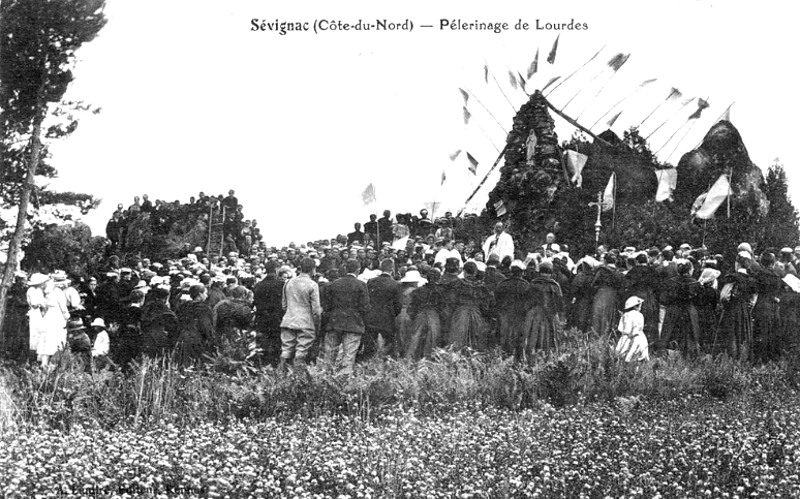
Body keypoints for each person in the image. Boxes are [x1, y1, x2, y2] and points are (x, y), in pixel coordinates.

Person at [321, 258, 370, 375]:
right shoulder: (361, 285)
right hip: (353, 324)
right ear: (358, 270)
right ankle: (344, 381)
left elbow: (326, 306)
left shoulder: (333, 284)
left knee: (329, 356)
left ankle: (325, 381)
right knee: (348, 356)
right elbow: (365, 307)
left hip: (334, 322)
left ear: (345, 269)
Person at [279, 258, 321, 369]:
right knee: (301, 349)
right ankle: (298, 377)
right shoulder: (313, 285)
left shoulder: (288, 282)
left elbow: (284, 305)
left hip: (288, 319)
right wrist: (317, 323)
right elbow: (316, 309)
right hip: (305, 322)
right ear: (313, 269)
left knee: (286, 349)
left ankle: (281, 374)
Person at [715, 252, 757, 361]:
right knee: (743, 334)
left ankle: (728, 358)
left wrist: (727, 306)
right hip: (744, 310)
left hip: (731, 309)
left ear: (737, 263)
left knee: (730, 333)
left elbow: (724, 296)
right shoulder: (751, 281)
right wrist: (746, 308)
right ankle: (742, 358)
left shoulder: (732, 278)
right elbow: (753, 300)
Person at [447, 261, 494, 351]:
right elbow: (487, 305)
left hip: (460, 314)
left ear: (464, 272)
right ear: (475, 272)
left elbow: (451, 301)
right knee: (476, 341)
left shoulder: (457, 284)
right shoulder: (482, 286)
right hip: (476, 314)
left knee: (457, 339)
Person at [658, 260, 701, 356]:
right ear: (690, 270)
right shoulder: (695, 283)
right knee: (690, 332)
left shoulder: (671, 281)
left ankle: (670, 352)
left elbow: (663, 299)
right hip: (690, 310)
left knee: (671, 331)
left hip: (674, 310)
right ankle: (689, 352)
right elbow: (699, 300)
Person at [363, 258, 403, 358]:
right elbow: (398, 305)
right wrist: (392, 313)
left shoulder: (371, 282)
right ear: (392, 269)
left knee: (370, 346)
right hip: (387, 318)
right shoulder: (396, 284)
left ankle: (368, 367)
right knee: (388, 346)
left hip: (371, 317)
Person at [524, 260, 565, 357]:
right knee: (551, 334)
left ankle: (531, 354)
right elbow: (560, 303)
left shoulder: (533, 283)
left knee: (533, 334)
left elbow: (527, 299)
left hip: (535, 313)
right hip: (550, 314)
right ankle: (549, 355)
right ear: (551, 272)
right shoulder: (555, 285)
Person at [494, 260, 530, 360]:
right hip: (520, 316)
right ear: (522, 272)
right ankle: (519, 360)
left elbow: (496, 299)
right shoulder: (526, 285)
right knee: (519, 338)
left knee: (504, 337)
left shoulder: (502, 284)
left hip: (505, 314)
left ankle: (505, 358)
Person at [252, 261, 286, 365]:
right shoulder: (282, 284)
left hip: (262, 319)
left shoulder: (258, 285)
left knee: (264, 346)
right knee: (278, 346)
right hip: (278, 319)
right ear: (276, 270)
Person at [406, 268, 444, 359]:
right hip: (434, 317)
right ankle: (428, 362)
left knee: (415, 339)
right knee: (432, 340)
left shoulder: (418, 291)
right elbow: (442, 308)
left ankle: (410, 361)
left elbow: (412, 307)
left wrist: (414, 316)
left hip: (420, 316)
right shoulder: (441, 292)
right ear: (438, 278)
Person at [176, 284, 215, 367]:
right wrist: (210, 338)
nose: (206, 295)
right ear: (200, 294)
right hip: (197, 338)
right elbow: (206, 326)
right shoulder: (204, 308)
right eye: (205, 293)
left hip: (182, 336)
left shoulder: (183, 306)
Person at [591, 253, 624, 336]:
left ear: (605, 261)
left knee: (597, 316)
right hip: (612, 296)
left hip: (601, 294)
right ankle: (605, 337)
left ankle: (595, 337)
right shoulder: (618, 273)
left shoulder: (601, 271)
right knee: (608, 317)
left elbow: (594, 283)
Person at [615, 296, 650, 362]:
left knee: (623, 352)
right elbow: (640, 327)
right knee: (637, 354)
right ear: (635, 306)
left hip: (626, 337)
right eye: (639, 306)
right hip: (637, 336)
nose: (640, 307)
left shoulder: (625, 315)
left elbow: (620, 328)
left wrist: (625, 332)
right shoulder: (639, 315)